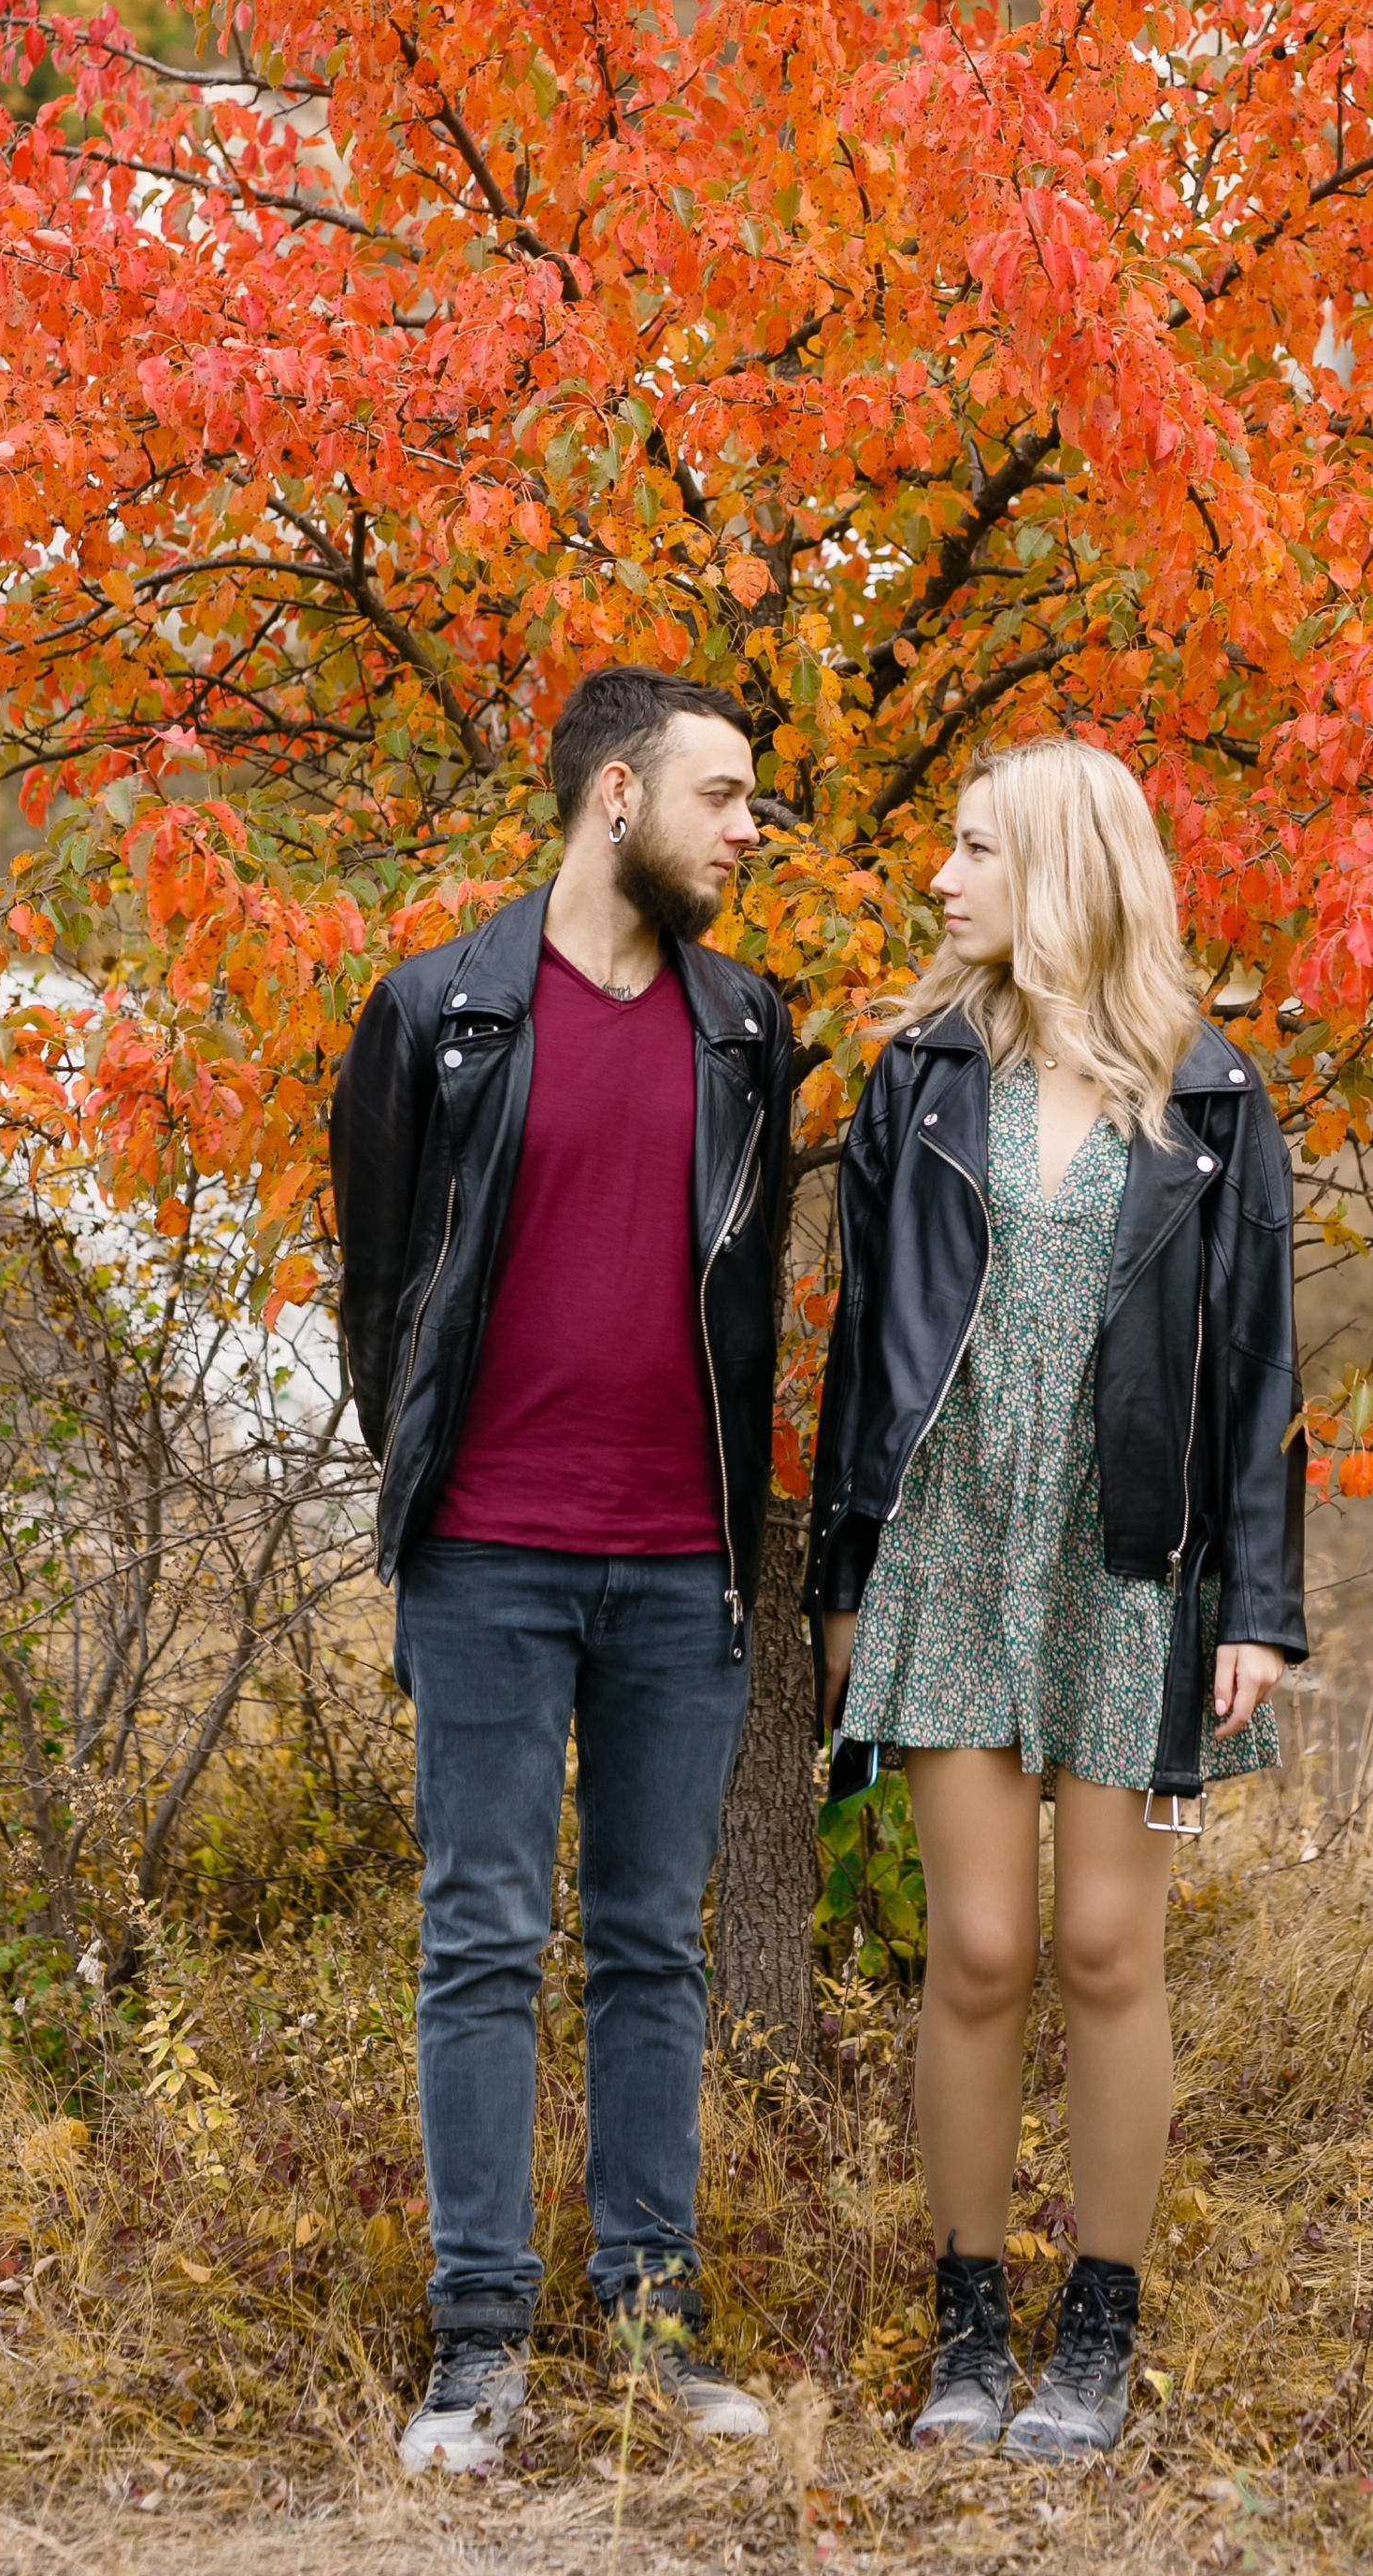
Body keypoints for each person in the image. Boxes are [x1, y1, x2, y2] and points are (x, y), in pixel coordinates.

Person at [808, 737, 1304, 2461]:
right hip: (951, 1538)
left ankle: (1097, 2328)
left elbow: (1260, 1365)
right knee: (979, 1947)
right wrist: (844, 1575)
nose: (943, 880)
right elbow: (863, 1351)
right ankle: (968, 2324)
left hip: (1128, 1555)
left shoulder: (1211, 1095)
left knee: (1103, 1946)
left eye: (975, 850)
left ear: (1065, 869)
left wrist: (1260, 1605)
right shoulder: (923, 1076)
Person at [330, 665, 794, 2473]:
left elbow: (740, 1303)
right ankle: (477, 2343)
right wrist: (442, 1499)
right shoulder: (436, 1011)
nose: (747, 831)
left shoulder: (746, 1027)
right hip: (489, 1561)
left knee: (653, 1949)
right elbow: (387, 1298)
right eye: (721, 796)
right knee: (481, 1941)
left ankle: (657, 2323)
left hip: (685, 1565)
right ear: (617, 796)